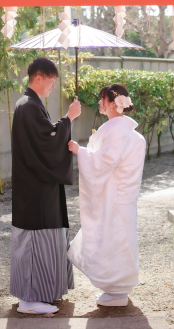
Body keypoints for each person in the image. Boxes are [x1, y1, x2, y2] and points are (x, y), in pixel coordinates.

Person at [10, 57, 82, 315]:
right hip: (34, 190)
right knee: (34, 240)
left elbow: (47, 137)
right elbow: (48, 142)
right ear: (38, 78)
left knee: (41, 238)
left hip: (35, 187)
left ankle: (41, 293)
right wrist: (68, 118)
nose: (53, 85)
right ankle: (29, 299)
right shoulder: (29, 106)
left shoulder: (29, 104)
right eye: (51, 80)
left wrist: (63, 122)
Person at [67, 84, 145, 307]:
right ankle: (116, 288)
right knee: (117, 238)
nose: (99, 102)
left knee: (114, 239)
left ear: (114, 103)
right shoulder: (124, 130)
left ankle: (117, 290)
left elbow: (105, 161)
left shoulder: (117, 130)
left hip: (115, 198)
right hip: (121, 197)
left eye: (102, 98)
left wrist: (79, 151)